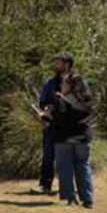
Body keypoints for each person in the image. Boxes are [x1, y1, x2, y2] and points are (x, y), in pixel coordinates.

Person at [47, 71, 95, 208]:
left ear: (70, 86)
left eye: (63, 83)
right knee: (83, 166)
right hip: (83, 137)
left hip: (64, 138)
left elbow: (58, 120)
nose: (61, 85)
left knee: (65, 168)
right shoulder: (87, 100)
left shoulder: (62, 100)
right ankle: (88, 199)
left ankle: (70, 198)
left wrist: (45, 116)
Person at [31, 54, 73, 195]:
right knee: (48, 156)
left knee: (68, 158)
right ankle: (45, 185)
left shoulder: (76, 82)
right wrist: (46, 109)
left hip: (69, 126)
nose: (55, 66)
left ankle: (69, 187)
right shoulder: (50, 83)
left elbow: (82, 103)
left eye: (58, 63)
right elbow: (43, 101)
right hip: (52, 125)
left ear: (67, 64)